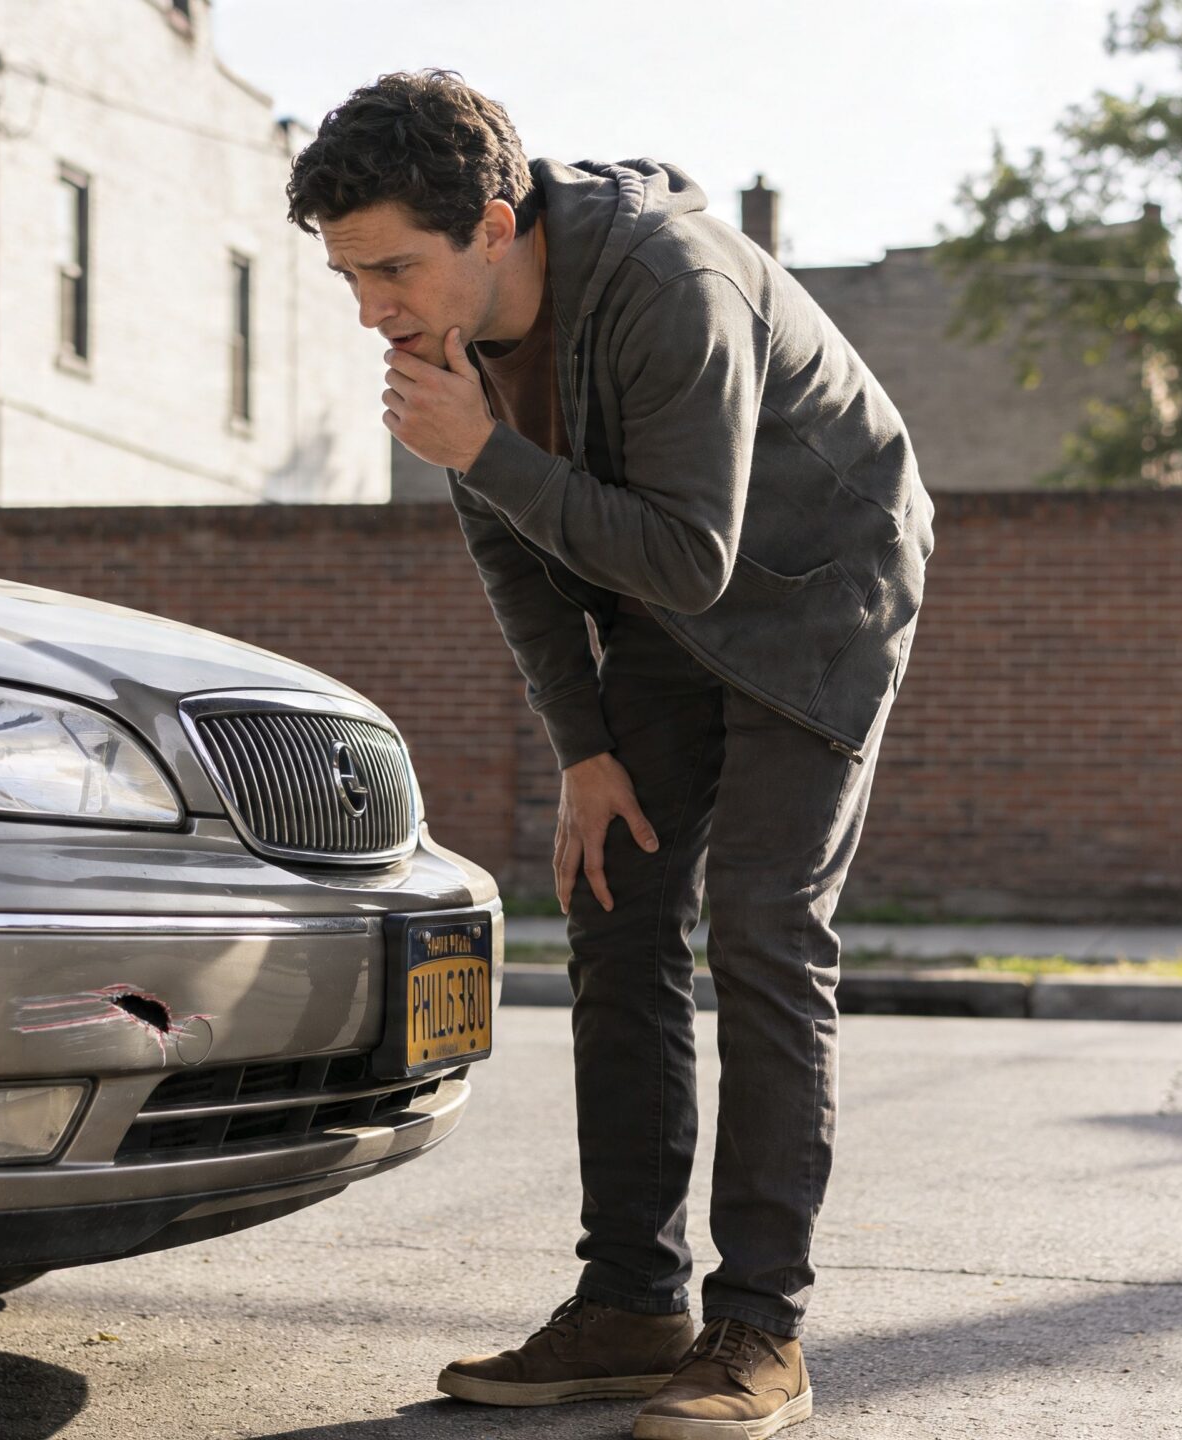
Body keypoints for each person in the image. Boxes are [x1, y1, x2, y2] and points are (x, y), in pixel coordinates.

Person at [286, 71, 931, 1440]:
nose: (376, 309)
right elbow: (514, 557)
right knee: (616, 905)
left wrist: (479, 447)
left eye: (396, 267)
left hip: (817, 590)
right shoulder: (450, 348)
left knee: (761, 928)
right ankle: (635, 1305)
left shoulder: (668, 283)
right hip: (660, 604)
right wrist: (584, 748)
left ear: (498, 224)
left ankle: (760, 1329)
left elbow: (694, 557)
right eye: (350, 278)